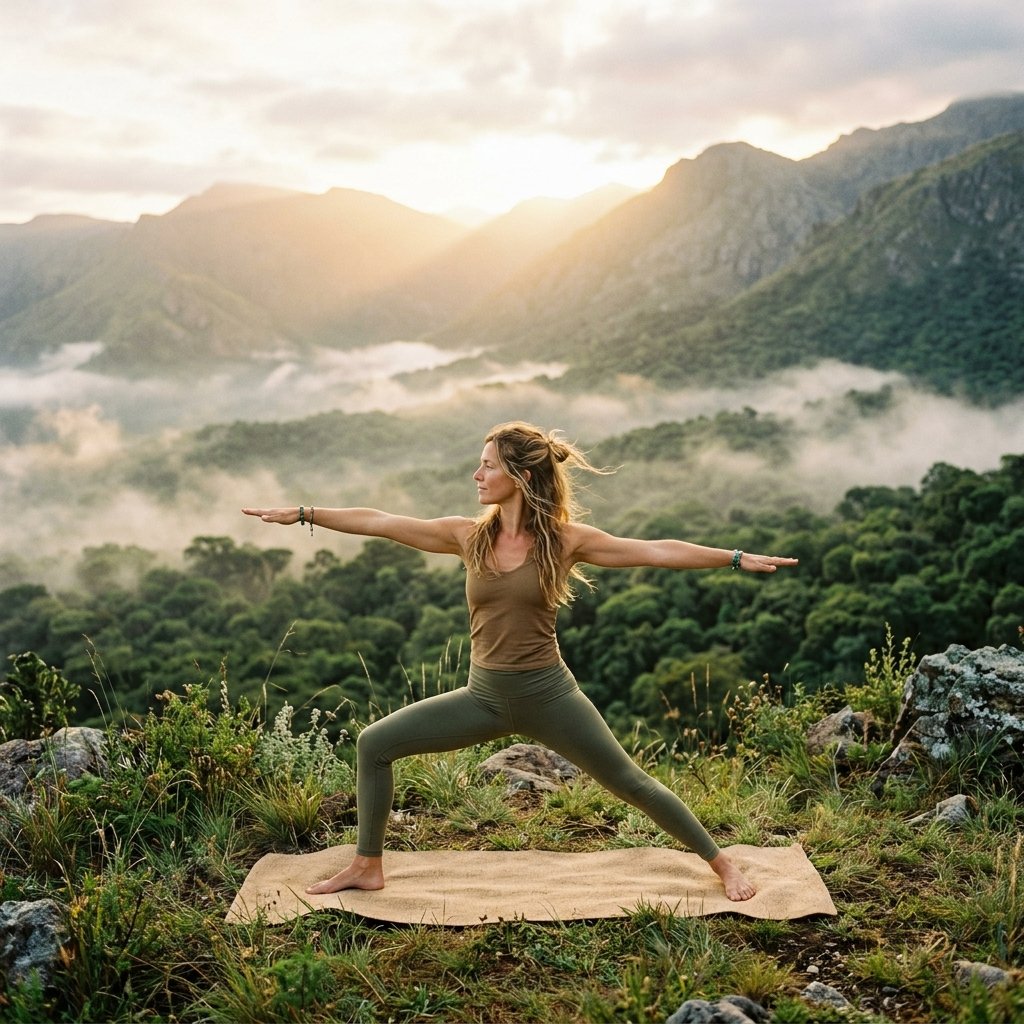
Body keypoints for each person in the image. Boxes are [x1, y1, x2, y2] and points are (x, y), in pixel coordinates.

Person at [242, 421, 798, 901]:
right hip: (482, 698)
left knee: (631, 782)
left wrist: (734, 557)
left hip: (550, 697)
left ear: (521, 476)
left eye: (487, 467)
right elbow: (382, 521)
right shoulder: (468, 537)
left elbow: (655, 550)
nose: (477, 476)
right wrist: (304, 513)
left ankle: (722, 863)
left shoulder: (564, 541)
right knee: (373, 744)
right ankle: (367, 865)